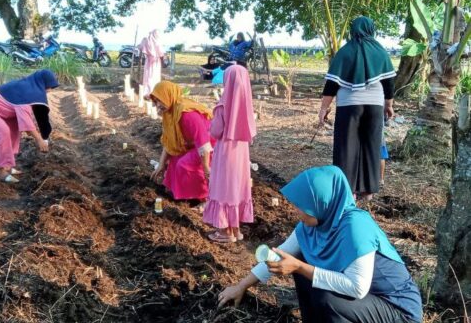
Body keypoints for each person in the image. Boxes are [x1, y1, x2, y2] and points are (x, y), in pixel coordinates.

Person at [218, 166, 423, 323]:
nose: (297, 211)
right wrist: (241, 286)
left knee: (327, 297)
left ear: (323, 203)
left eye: (303, 206)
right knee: (300, 260)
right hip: (367, 302)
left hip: (396, 309)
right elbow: (280, 256)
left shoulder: (355, 227)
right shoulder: (314, 224)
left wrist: (300, 267)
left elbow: (356, 288)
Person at [319, 16, 396, 201]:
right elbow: (389, 83)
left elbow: (331, 85)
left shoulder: (345, 52)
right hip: (375, 107)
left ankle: (348, 191)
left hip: (349, 106)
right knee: (371, 146)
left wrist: (323, 109)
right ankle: (368, 191)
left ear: (353, 30)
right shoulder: (381, 52)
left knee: (346, 148)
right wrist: (389, 105)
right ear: (371, 29)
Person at [0, 70, 58, 183]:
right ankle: (0, 171)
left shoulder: (30, 87)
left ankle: (7, 165)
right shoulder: (27, 93)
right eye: (49, 87)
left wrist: (39, 134)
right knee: (2, 132)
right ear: (43, 83)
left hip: (0, 107)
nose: (49, 90)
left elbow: (27, 121)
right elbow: (27, 124)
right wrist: (39, 140)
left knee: (14, 129)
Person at [203, 65, 256, 242]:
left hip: (225, 152)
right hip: (241, 152)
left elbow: (215, 131)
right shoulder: (246, 105)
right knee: (237, 188)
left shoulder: (223, 105)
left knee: (224, 188)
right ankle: (236, 230)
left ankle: (225, 232)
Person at [149, 81, 215, 204]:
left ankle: (203, 196)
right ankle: (180, 194)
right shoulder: (169, 112)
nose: (158, 105)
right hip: (193, 144)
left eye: (160, 100)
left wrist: (206, 169)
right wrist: (161, 164)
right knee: (174, 161)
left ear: (169, 96)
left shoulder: (186, 114)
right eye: (156, 101)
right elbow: (170, 142)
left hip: (211, 144)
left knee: (184, 164)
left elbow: (204, 144)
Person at [138, 29, 165, 95]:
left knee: (148, 76)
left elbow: (140, 47)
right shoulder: (157, 42)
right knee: (154, 76)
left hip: (148, 61)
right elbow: (161, 53)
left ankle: (147, 92)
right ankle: (153, 92)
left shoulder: (147, 40)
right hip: (156, 62)